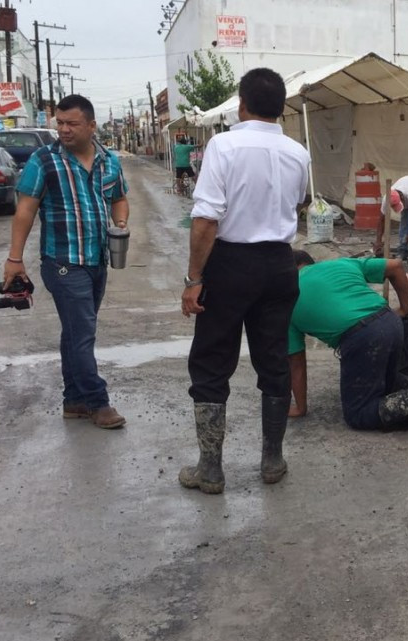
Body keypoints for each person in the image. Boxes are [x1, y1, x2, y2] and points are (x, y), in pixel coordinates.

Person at [178, 68, 310, 495]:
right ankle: (272, 459)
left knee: (212, 361)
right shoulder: (297, 152)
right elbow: (298, 202)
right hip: (279, 263)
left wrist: (194, 278)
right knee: (274, 359)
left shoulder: (224, 144)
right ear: (281, 106)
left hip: (231, 263)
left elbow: (205, 220)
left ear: (242, 102)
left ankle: (211, 469)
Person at [3, 94, 130, 430]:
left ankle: (73, 399)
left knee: (75, 331)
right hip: (62, 261)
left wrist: (120, 224)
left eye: (71, 123)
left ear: (91, 125)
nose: (64, 130)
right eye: (59, 123)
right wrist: (15, 259)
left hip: (97, 259)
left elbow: (119, 199)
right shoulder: (44, 160)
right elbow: (26, 210)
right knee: (83, 331)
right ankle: (97, 401)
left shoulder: (109, 160)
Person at [286, 251, 408, 436]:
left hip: (362, 337)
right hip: (391, 321)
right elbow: (395, 266)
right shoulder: (342, 263)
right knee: (386, 382)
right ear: (311, 263)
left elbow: (296, 364)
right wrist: (404, 308)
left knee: (358, 414)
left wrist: (300, 408)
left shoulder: (286, 301)